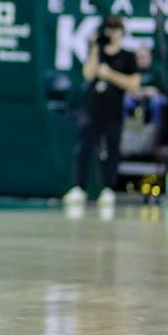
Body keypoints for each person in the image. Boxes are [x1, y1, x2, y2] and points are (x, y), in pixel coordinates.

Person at [64, 15, 139, 205]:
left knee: (112, 148)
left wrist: (110, 74)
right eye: (108, 29)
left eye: (115, 29)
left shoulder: (127, 56)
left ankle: (108, 188)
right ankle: (79, 187)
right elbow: (89, 75)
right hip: (92, 107)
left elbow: (133, 84)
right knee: (85, 147)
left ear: (121, 32)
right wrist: (95, 48)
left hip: (113, 109)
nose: (111, 33)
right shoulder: (97, 52)